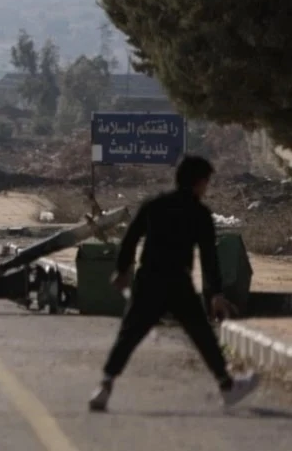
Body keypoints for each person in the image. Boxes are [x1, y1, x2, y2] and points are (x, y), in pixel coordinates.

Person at [89, 155, 259, 412]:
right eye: (206, 182)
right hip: (177, 282)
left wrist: (123, 270)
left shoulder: (154, 204)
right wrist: (214, 294)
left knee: (130, 333)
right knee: (201, 334)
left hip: (149, 280)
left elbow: (130, 238)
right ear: (199, 182)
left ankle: (104, 386)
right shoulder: (200, 213)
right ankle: (227, 387)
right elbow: (209, 258)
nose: (207, 187)